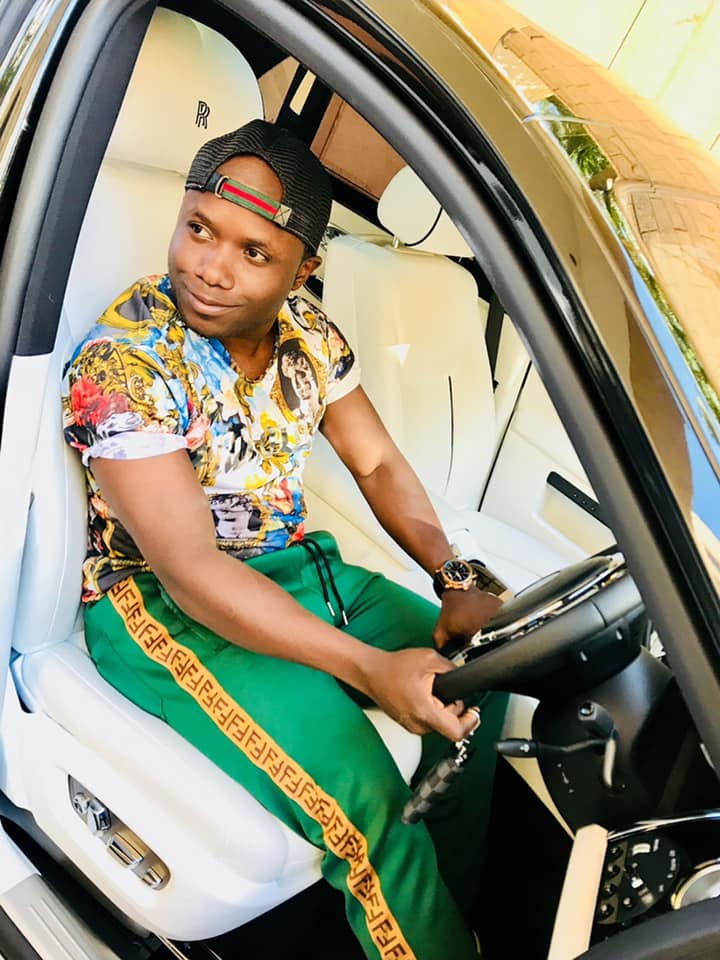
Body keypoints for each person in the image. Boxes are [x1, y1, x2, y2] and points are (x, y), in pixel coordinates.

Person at [62, 119, 505, 960]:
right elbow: (190, 570)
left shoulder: (309, 332)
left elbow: (376, 461)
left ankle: (450, 921)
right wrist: (369, 667)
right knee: (369, 803)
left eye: (253, 253)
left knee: (490, 675)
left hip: (298, 574)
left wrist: (455, 574)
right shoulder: (124, 364)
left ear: (303, 269)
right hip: (164, 610)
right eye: (199, 229)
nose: (209, 267)